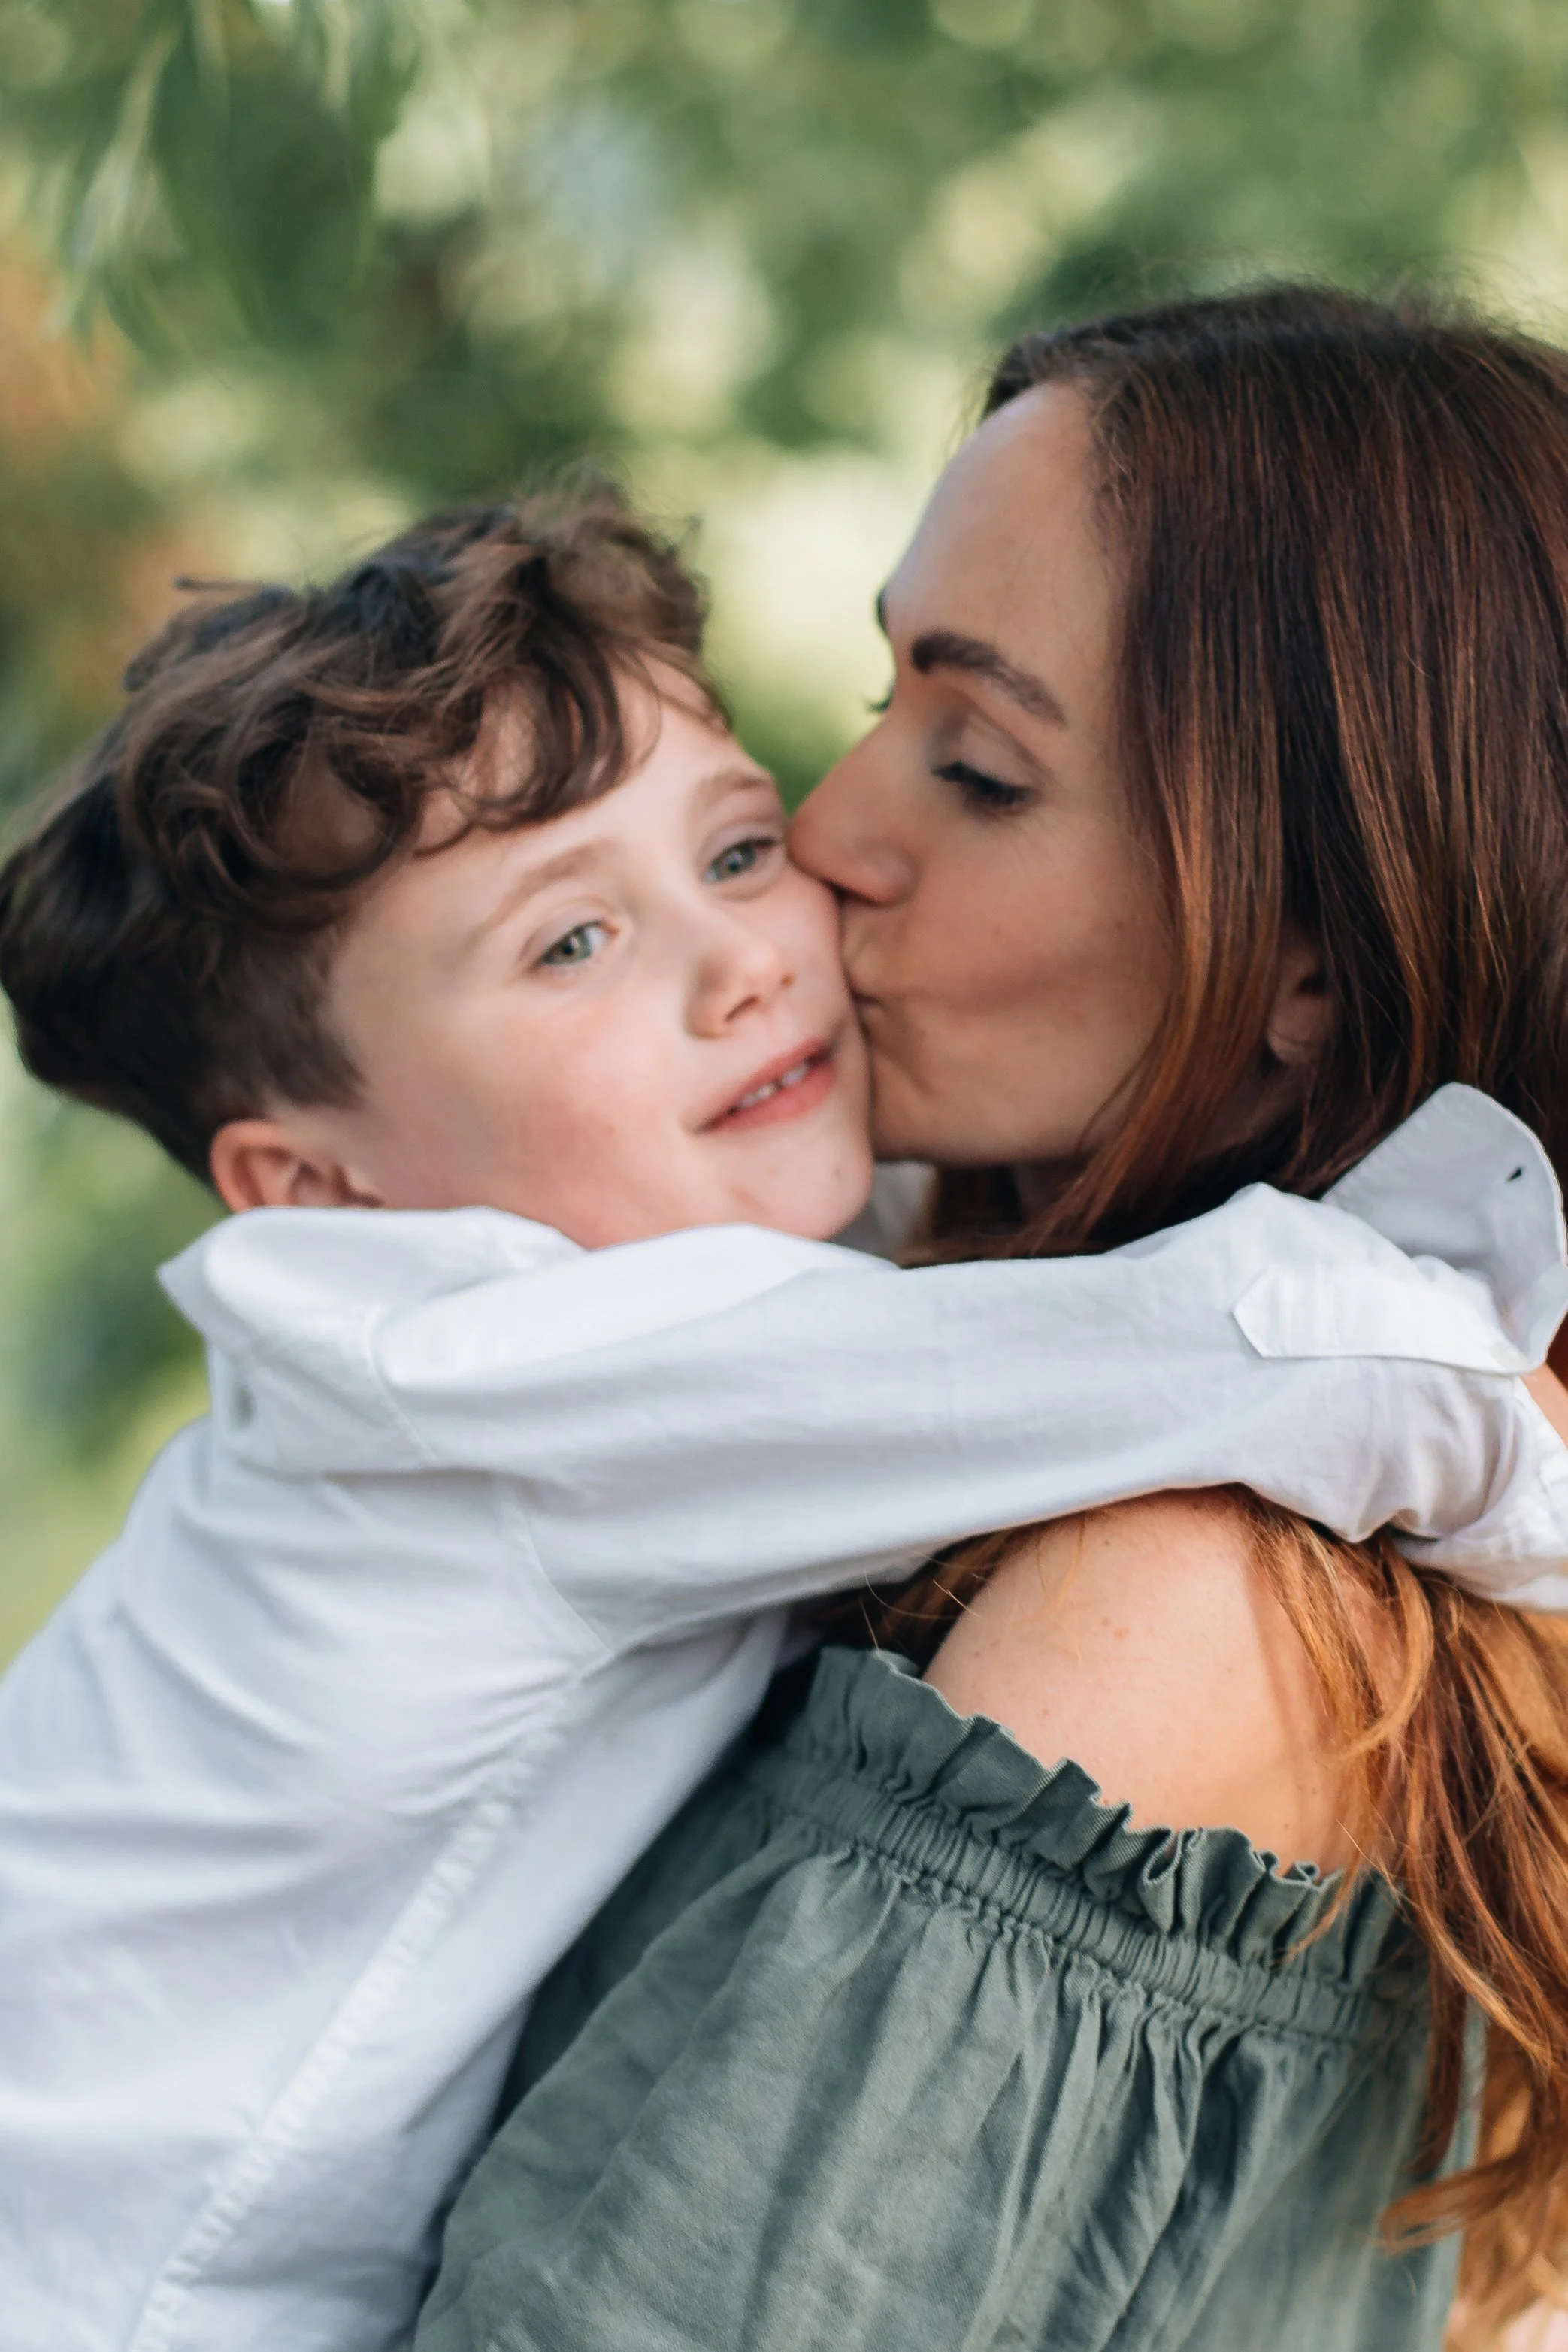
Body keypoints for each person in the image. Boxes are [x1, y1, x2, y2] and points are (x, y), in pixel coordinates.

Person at [2, 495, 1551, 2352]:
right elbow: (1293, 1355)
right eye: (570, 944)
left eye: (735, 849)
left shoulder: (508, 1353)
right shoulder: (501, 1366)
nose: (742, 956)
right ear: (317, 1190)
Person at [414, 290, 1568, 2352]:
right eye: (878, 703)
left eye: (976, 766)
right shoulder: (973, 1419)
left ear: (1307, 960)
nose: (836, 832)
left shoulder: (1170, 1619)